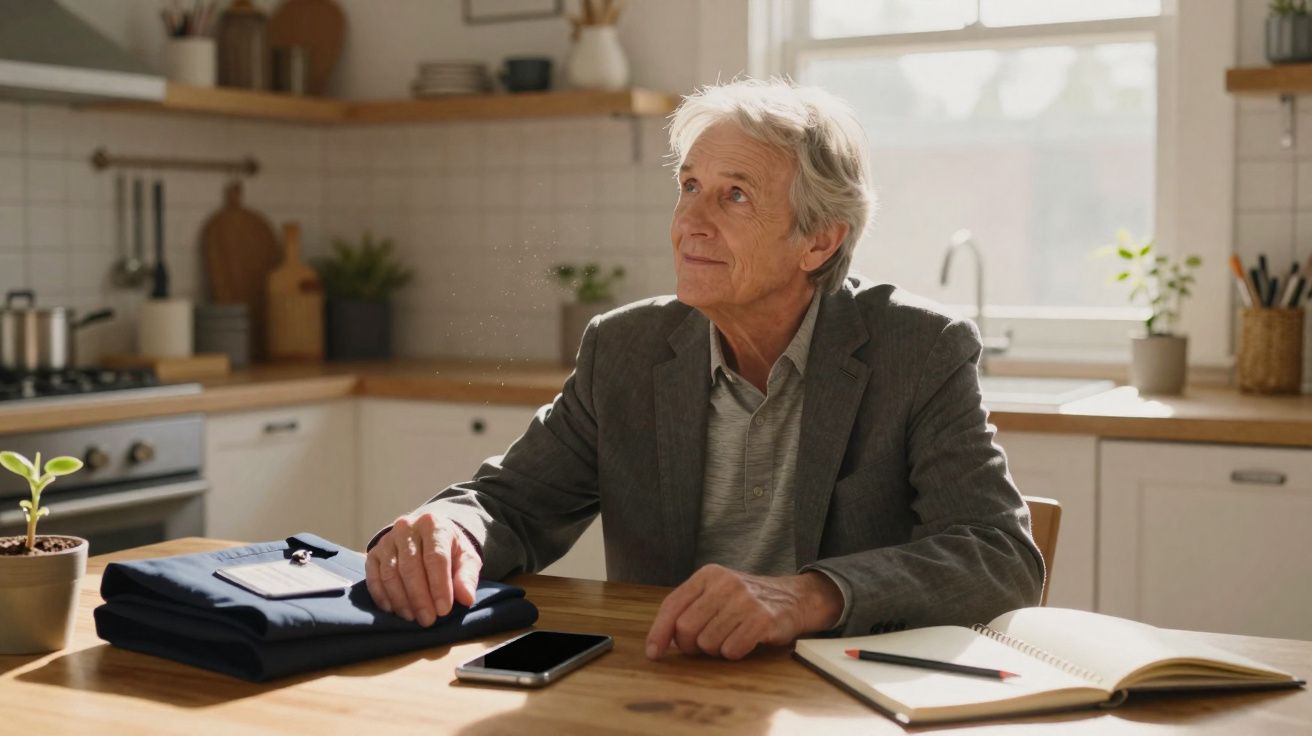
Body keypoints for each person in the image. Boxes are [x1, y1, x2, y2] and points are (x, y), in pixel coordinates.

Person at [364, 78, 1044, 661]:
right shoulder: (624, 348)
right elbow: (511, 503)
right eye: (690, 185)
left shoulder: (918, 349)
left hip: (842, 694)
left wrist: (806, 595)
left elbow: (998, 556)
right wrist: (451, 527)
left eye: (735, 195)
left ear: (819, 238)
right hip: (667, 680)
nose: (690, 219)